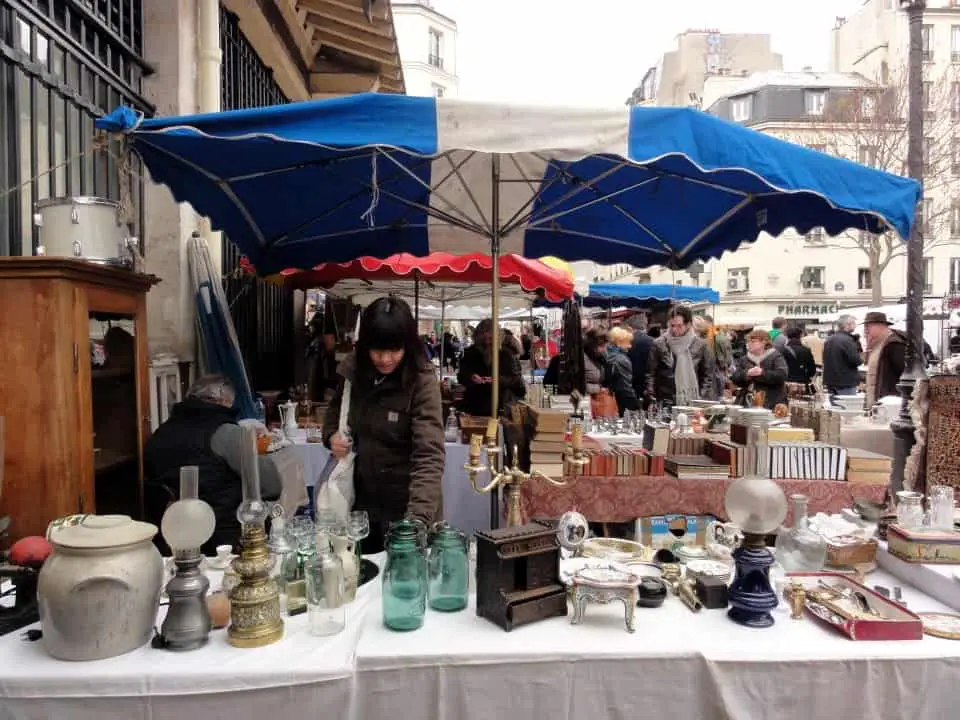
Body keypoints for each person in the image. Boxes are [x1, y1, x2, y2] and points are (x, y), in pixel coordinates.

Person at [324, 297, 445, 552]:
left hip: (406, 510)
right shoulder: (354, 372)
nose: (385, 359)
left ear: (407, 346)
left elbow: (429, 455)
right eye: (377, 350)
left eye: (394, 350)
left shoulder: (421, 381)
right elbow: (335, 411)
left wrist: (417, 520)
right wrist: (330, 436)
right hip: (360, 510)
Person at [144, 375, 284, 555]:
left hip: (170, 538)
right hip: (225, 540)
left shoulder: (160, 433)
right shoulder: (227, 434)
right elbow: (271, 486)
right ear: (225, 401)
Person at [646, 305, 716, 406]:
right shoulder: (659, 344)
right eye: (672, 325)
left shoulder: (701, 345)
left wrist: (701, 399)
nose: (674, 329)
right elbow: (651, 373)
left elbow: (707, 377)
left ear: (688, 324)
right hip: (665, 400)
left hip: (692, 401)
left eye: (679, 326)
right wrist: (652, 396)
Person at [457, 318, 525, 417]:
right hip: (474, 407)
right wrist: (471, 377)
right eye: (483, 340)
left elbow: (516, 381)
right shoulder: (470, 353)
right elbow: (461, 376)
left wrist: (498, 380)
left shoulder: (506, 354)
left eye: (490, 339)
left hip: (500, 407)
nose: (487, 343)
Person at [731, 329, 789, 410]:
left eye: (753, 341)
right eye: (748, 342)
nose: (749, 344)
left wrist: (762, 373)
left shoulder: (775, 357)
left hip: (771, 403)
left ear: (764, 342)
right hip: (747, 402)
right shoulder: (745, 359)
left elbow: (782, 375)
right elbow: (735, 378)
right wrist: (747, 374)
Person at [862, 311, 906, 405]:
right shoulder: (878, 343)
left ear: (881, 326)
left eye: (868, 326)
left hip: (889, 402)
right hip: (879, 402)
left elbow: (903, 372)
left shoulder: (893, 344)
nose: (865, 330)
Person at [822, 314, 862, 396]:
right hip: (846, 382)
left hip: (830, 381)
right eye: (854, 323)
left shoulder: (829, 340)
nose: (855, 326)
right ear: (847, 325)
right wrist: (862, 357)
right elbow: (855, 360)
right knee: (848, 406)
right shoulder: (848, 340)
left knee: (834, 407)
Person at [606, 326, 639, 414]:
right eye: (628, 342)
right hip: (621, 404)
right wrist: (635, 406)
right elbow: (625, 387)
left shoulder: (607, 355)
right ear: (619, 343)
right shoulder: (622, 360)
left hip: (611, 400)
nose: (630, 346)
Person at [583, 327, 615, 416]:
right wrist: (598, 388)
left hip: (600, 401)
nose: (604, 349)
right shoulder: (582, 359)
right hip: (585, 404)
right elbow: (576, 384)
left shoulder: (601, 357)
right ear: (591, 345)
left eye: (605, 346)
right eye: (601, 346)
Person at [624, 314, 653, 405]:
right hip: (647, 386)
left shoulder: (626, 342)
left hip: (630, 385)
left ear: (630, 327)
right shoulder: (653, 341)